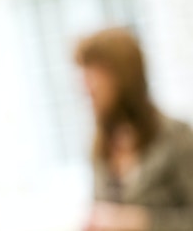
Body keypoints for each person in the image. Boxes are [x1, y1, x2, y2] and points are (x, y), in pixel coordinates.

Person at [76, 27, 193, 231]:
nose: (86, 86)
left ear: (124, 77)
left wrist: (143, 221)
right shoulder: (100, 145)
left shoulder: (177, 138)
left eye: (95, 73)